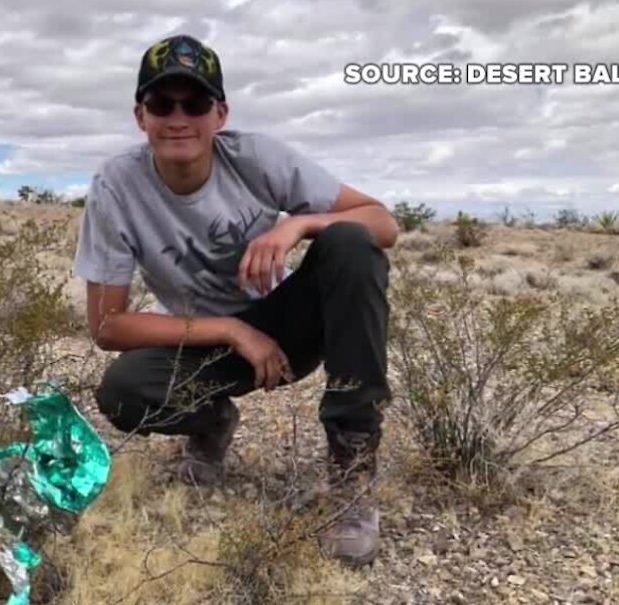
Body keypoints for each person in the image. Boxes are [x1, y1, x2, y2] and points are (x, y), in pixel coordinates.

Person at [71, 34, 398, 566]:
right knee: (125, 389)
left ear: (219, 114)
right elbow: (107, 326)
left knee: (351, 243)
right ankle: (210, 423)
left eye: (195, 103)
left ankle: (353, 473)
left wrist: (299, 225)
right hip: (210, 341)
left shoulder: (257, 157)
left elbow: (383, 222)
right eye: (162, 103)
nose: (179, 117)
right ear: (140, 116)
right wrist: (229, 330)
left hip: (288, 329)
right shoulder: (115, 187)